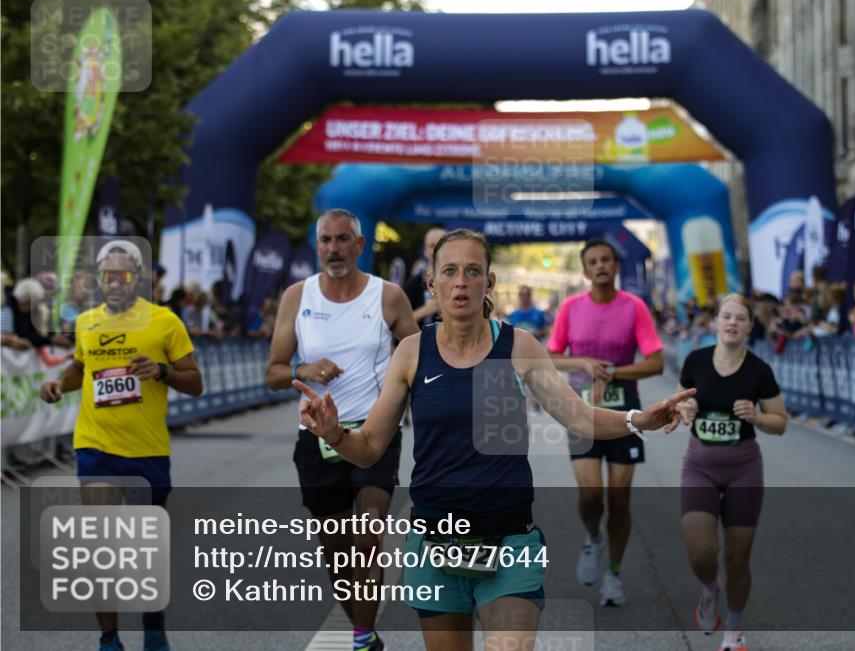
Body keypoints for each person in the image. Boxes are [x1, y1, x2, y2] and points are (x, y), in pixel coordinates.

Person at [294, 228, 695, 651]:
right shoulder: (412, 352)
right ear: (432, 282)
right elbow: (370, 446)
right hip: (435, 544)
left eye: (473, 271)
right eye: (449, 271)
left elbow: (577, 416)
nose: (461, 282)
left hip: (508, 542)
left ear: (490, 281)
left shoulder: (519, 347)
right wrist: (334, 433)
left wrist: (639, 420)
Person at [39, 240, 204, 651]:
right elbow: (82, 367)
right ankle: (109, 638)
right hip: (95, 446)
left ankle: (153, 621)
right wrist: (60, 384)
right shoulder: (86, 322)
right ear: (98, 279)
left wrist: (162, 371)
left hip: (147, 450)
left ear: (138, 277)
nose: (114, 282)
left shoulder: (164, 322)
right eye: (107, 276)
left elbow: (195, 382)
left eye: (122, 275)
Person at [266, 209, 419, 651]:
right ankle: (364, 632)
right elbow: (274, 372)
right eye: (326, 241)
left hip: (374, 432)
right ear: (319, 246)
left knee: (368, 539)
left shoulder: (387, 297)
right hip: (317, 436)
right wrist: (305, 367)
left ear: (359, 244)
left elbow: (414, 360)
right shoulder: (298, 296)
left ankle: (361, 638)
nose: (333, 249)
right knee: (336, 552)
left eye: (341, 240)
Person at [546, 238, 664, 606]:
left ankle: (613, 574)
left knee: (620, 498)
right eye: (593, 261)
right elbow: (551, 356)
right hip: (580, 409)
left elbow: (656, 362)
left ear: (615, 266)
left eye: (606, 260)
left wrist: (613, 371)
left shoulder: (635, 307)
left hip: (624, 408)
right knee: (591, 495)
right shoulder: (570, 307)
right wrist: (582, 364)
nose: (600, 266)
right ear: (584, 271)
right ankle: (593, 537)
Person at [675, 293, 788, 651]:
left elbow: (781, 422)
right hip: (700, 465)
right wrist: (686, 408)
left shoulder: (759, 371)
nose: (732, 323)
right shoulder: (695, 361)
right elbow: (676, 407)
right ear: (716, 321)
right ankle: (710, 589)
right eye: (726, 316)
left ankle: (735, 630)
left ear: (750, 327)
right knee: (700, 551)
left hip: (743, 468)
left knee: (738, 558)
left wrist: (757, 417)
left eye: (740, 319)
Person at [405, 227, 447, 326]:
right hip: (421, 339)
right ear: (425, 251)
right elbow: (399, 322)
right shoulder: (414, 283)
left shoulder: (460, 281)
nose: (437, 249)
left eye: (441, 245)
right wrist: (426, 310)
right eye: (432, 246)